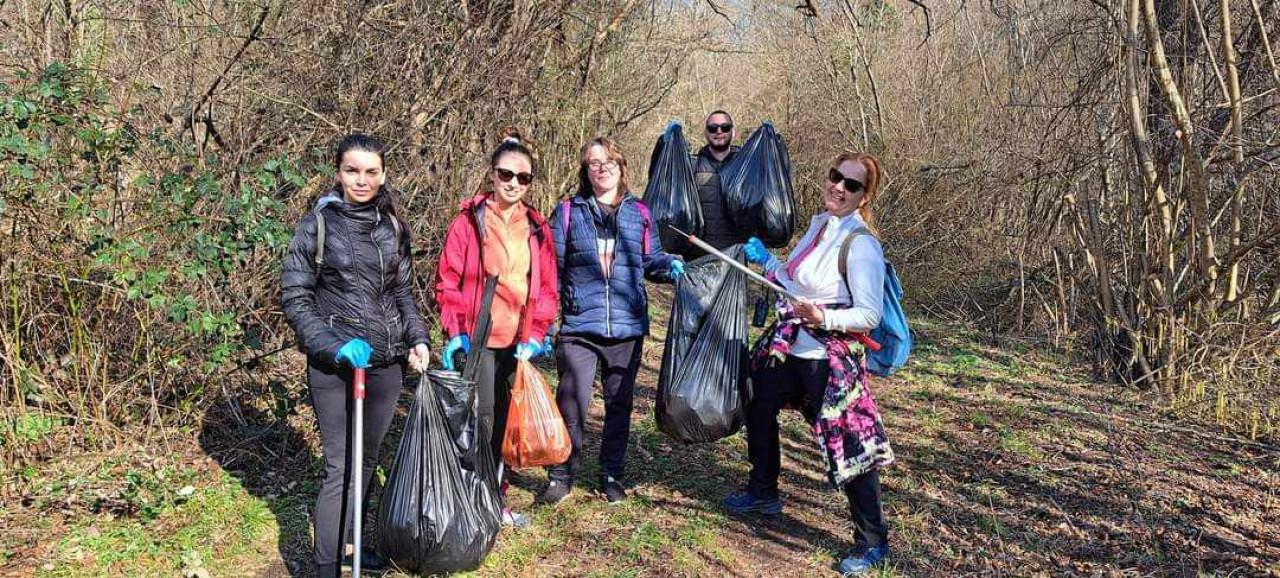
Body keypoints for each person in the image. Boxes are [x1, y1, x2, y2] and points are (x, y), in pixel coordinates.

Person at [724, 152, 896, 576]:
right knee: (757, 400)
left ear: (864, 196)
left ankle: (873, 542)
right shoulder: (820, 226)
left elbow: (868, 315)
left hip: (830, 359)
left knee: (849, 446)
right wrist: (767, 263)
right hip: (792, 347)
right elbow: (793, 280)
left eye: (851, 185)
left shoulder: (861, 245)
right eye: (836, 176)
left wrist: (825, 318)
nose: (839, 187)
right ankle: (763, 490)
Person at [281, 133, 431, 578]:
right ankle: (327, 567)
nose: (361, 180)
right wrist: (332, 345)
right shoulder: (317, 225)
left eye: (370, 171)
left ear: (383, 174)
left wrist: (417, 338)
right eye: (352, 170)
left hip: (385, 364)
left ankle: (354, 546)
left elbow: (403, 292)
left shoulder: (393, 227)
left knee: (366, 463)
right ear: (339, 172)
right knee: (339, 466)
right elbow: (295, 297)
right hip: (335, 366)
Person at [537, 137, 685, 506]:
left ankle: (611, 474)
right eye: (593, 163)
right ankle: (561, 474)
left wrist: (670, 266)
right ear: (586, 171)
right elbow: (549, 268)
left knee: (619, 406)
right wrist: (543, 320)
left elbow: (650, 260)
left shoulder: (640, 214)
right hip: (579, 329)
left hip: (626, 329)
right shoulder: (569, 212)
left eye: (607, 162)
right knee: (571, 403)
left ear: (621, 166)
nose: (601, 169)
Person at [433, 129, 558, 528]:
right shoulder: (469, 222)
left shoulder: (538, 228)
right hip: (481, 336)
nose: (514, 184)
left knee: (506, 422)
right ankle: (475, 497)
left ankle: (494, 497)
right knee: (482, 418)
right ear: (492, 174)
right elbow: (447, 281)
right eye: (507, 175)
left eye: (523, 178)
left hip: (518, 341)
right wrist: (456, 330)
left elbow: (547, 288)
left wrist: (537, 334)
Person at [681, 109, 743, 259]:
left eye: (725, 127)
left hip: (734, 260)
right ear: (706, 133)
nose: (719, 131)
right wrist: (664, 145)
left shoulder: (744, 168)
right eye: (713, 128)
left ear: (733, 132)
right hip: (697, 260)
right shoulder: (691, 166)